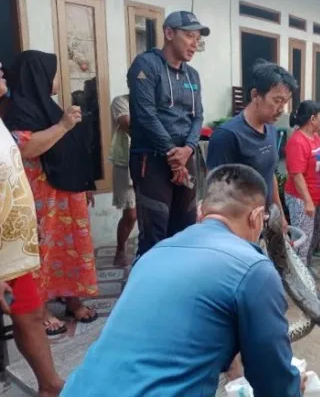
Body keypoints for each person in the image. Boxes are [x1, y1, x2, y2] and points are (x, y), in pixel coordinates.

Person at [60, 164, 305, 396]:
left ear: (200, 211)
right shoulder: (255, 269)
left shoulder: (154, 254)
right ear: (256, 217)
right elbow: (274, 381)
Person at [4, 50, 99, 335]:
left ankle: (72, 299)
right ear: (38, 75)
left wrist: (85, 184)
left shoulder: (49, 105)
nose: (56, 79)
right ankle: (41, 309)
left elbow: (73, 148)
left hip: (67, 193)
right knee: (42, 252)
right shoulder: (18, 110)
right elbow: (27, 148)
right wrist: (63, 125)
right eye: (53, 73)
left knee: (70, 249)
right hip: (41, 197)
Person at [0, 61, 64, 397]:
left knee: (30, 312)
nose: (1, 68)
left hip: (12, 245)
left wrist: (28, 221)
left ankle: (50, 385)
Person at [127, 11, 208, 258]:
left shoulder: (192, 75)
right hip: (152, 160)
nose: (195, 43)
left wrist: (189, 149)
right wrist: (172, 153)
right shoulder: (146, 65)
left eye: (198, 38)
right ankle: (147, 292)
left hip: (185, 158)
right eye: (189, 36)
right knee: (154, 233)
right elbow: (145, 115)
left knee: (185, 230)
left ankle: (178, 289)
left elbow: (198, 117)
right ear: (169, 33)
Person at [207, 60, 297, 232]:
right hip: (239, 227)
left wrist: (280, 215)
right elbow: (216, 193)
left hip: (265, 220)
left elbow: (270, 174)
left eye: (284, 102)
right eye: (277, 100)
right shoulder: (227, 135)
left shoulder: (270, 129)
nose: (281, 109)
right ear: (255, 95)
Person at [284, 100, 320, 273]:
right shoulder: (297, 141)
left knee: (315, 237)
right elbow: (297, 175)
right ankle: (298, 275)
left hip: (316, 196)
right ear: (312, 119)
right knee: (303, 239)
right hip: (301, 198)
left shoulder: (316, 136)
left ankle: (306, 267)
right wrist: (308, 201)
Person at [108, 93, 137, 267]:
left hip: (151, 163)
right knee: (131, 214)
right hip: (126, 163)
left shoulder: (155, 100)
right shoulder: (121, 102)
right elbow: (128, 125)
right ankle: (120, 250)